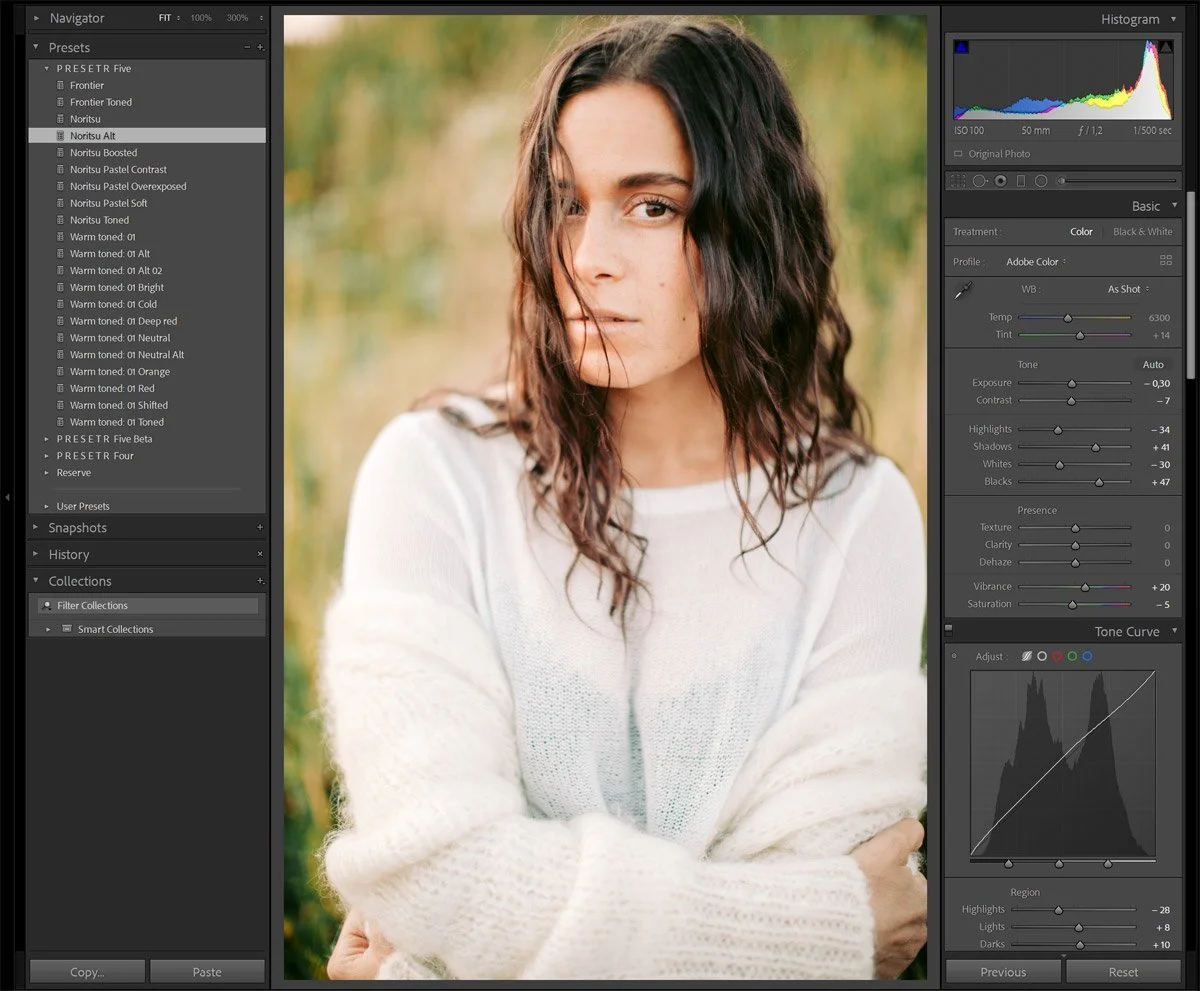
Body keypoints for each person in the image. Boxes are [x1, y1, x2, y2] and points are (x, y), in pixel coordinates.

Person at [319, 14, 927, 981]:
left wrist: (468, 946)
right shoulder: (436, 477)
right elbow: (434, 868)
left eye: (652, 207)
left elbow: (448, 916)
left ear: (752, 227)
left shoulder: (857, 514)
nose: (587, 256)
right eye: (565, 204)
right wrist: (813, 927)